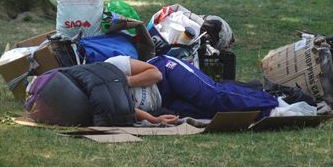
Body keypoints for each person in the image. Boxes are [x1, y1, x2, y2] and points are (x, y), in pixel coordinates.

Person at [106, 55, 317, 122]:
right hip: (164, 101)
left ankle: (275, 102)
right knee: (204, 113)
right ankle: (265, 106)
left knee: (211, 96)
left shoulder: (111, 66)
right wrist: (154, 120)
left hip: (167, 72)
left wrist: (126, 83)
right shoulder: (98, 98)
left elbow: (156, 74)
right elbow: (128, 110)